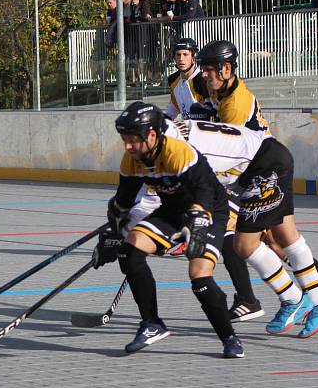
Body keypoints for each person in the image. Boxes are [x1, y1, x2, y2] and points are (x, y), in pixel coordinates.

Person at [196, 40, 318, 337]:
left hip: (259, 169)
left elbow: (230, 154)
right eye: (203, 68)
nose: (204, 74)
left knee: (247, 244)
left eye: (209, 69)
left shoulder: (237, 103)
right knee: (282, 239)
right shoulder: (218, 87)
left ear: (226, 68)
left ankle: (303, 300)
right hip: (267, 163)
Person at [92, 101, 245, 358]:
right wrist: (115, 224)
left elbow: (205, 192)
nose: (127, 147)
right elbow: (125, 199)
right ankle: (152, 323)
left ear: (152, 135)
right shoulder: (132, 160)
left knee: (199, 276)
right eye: (124, 140)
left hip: (209, 211)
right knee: (130, 251)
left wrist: (198, 222)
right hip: (173, 210)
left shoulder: (178, 152)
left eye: (132, 140)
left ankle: (229, 338)